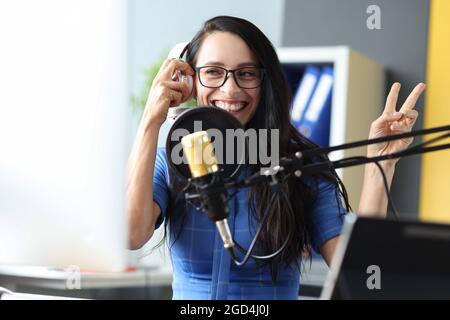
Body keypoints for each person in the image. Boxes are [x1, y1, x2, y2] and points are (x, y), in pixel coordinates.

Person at [126, 16, 425, 299]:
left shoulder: (300, 167)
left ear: (265, 81)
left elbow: (360, 272)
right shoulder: (175, 161)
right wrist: (152, 118)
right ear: (191, 81)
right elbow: (132, 234)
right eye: (213, 72)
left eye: (246, 73)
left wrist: (380, 165)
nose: (230, 89)